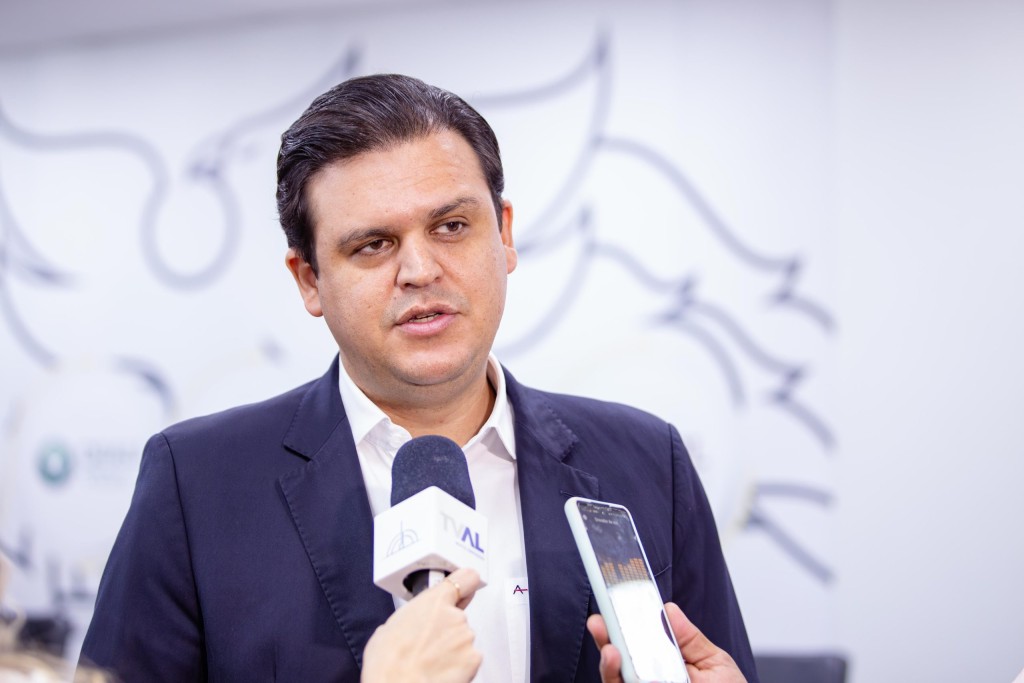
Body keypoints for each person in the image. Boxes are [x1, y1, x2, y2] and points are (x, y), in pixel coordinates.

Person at [80, 74, 758, 682]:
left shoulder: (648, 462)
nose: (421, 270)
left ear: (504, 234)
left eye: (452, 225)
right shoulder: (196, 484)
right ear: (309, 279)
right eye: (373, 244)